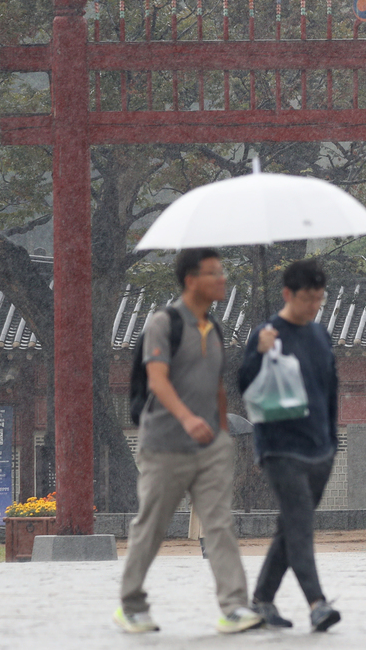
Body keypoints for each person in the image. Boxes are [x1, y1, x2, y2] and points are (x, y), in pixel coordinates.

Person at [115, 248, 263, 634]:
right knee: (153, 525)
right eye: (214, 273)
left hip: (209, 445)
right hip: (165, 443)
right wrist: (187, 419)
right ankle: (130, 605)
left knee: (219, 524)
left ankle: (234, 607)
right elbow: (158, 380)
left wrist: (222, 436)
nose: (222, 279)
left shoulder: (213, 329)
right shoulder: (164, 324)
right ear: (191, 280)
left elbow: (214, 385)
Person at [237, 259, 341, 632]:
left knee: (291, 527)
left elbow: (330, 390)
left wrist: (332, 441)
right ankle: (317, 603)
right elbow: (245, 385)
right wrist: (257, 353)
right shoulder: (266, 334)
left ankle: (262, 601)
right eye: (307, 299)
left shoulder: (320, 334)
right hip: (280, 449)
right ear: (287, 295)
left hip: (319, 449)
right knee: (301, 525)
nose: (313, 306)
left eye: (319, 298)